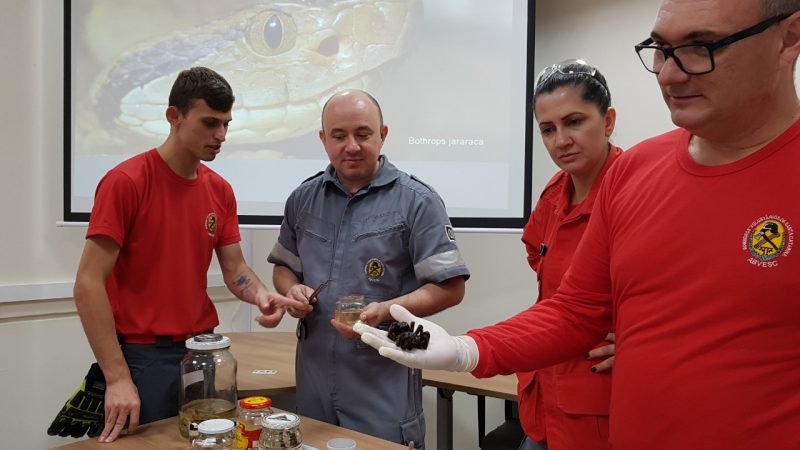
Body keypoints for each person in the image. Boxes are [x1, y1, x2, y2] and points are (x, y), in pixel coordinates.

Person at [356, 0, 800, 448]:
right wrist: (466, 349)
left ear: (789, 37)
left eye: (701, 46)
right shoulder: (637, 171)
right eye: (661, 49)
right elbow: (575, 310)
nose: (667, 74)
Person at [68, 67, 311, 443]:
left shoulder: (220, 190)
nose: (221, 136)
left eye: (227, 124)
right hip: (142, 359)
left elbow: (235, 269)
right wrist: (117, 377)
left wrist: (261, 294)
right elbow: (87, 283)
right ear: (173, 116)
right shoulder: (127, 182)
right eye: (210, 123)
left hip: (202, 353)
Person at [267, 89, 470, 448]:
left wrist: (386, 310)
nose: (352, 146)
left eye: (363, 134)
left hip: (383, 384)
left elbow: (451, 286)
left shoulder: (417, 201)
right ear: (323, 139)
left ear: (383, 135)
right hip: (314, 382)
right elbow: (284, 268)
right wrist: (290, 290)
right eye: (339, 136)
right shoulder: (303, 199)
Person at [503, 60, 619, 450]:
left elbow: (681, 287)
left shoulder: (636, 188)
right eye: (548, 130)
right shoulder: (556, 191)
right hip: (547, 389)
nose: (561, 140)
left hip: (603, 398)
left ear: (608, 121)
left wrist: (641, 339)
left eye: (574, 122)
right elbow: (538, 255)